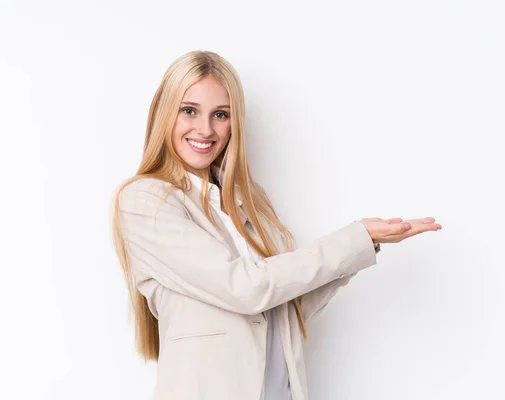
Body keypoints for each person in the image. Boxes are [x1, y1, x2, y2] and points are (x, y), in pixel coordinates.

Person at [111, 50, 442, 400]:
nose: (205, 129)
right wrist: (351, 239)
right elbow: (246, 288)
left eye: (220, 114)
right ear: (164, 112)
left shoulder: (247, 202)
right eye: (189, 110)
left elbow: (284, 309)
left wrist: (365, 245)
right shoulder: (146, 201)